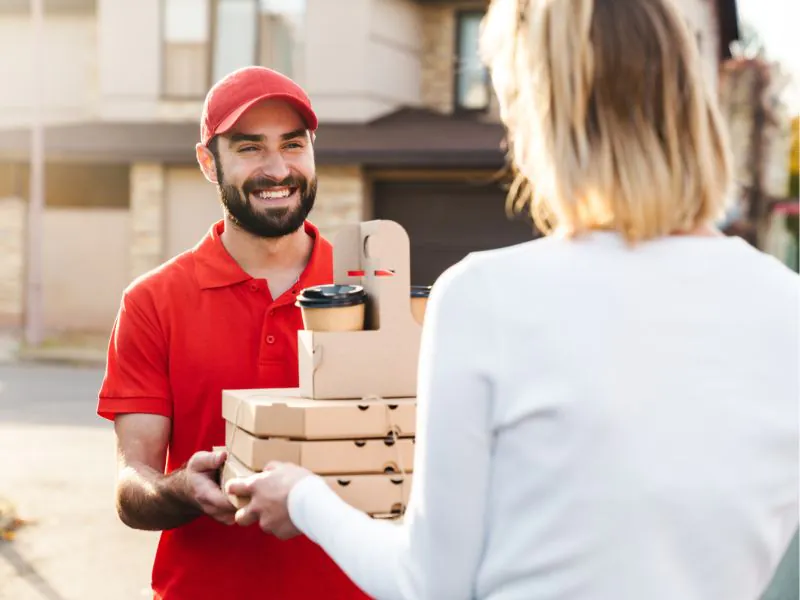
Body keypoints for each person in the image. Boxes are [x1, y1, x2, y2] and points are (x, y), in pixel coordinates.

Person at [225, 1, 800, 599]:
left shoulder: (485, 297)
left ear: (540, 109)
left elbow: (428, 586)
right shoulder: (788, 306)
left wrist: (303, 498)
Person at [96, 66, 370, 600]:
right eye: (250, 148)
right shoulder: (152, 301)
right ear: (208, 161)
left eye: (293, 145)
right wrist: (181, 490)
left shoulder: (370, 289)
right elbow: (134, 482)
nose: (277, 169)